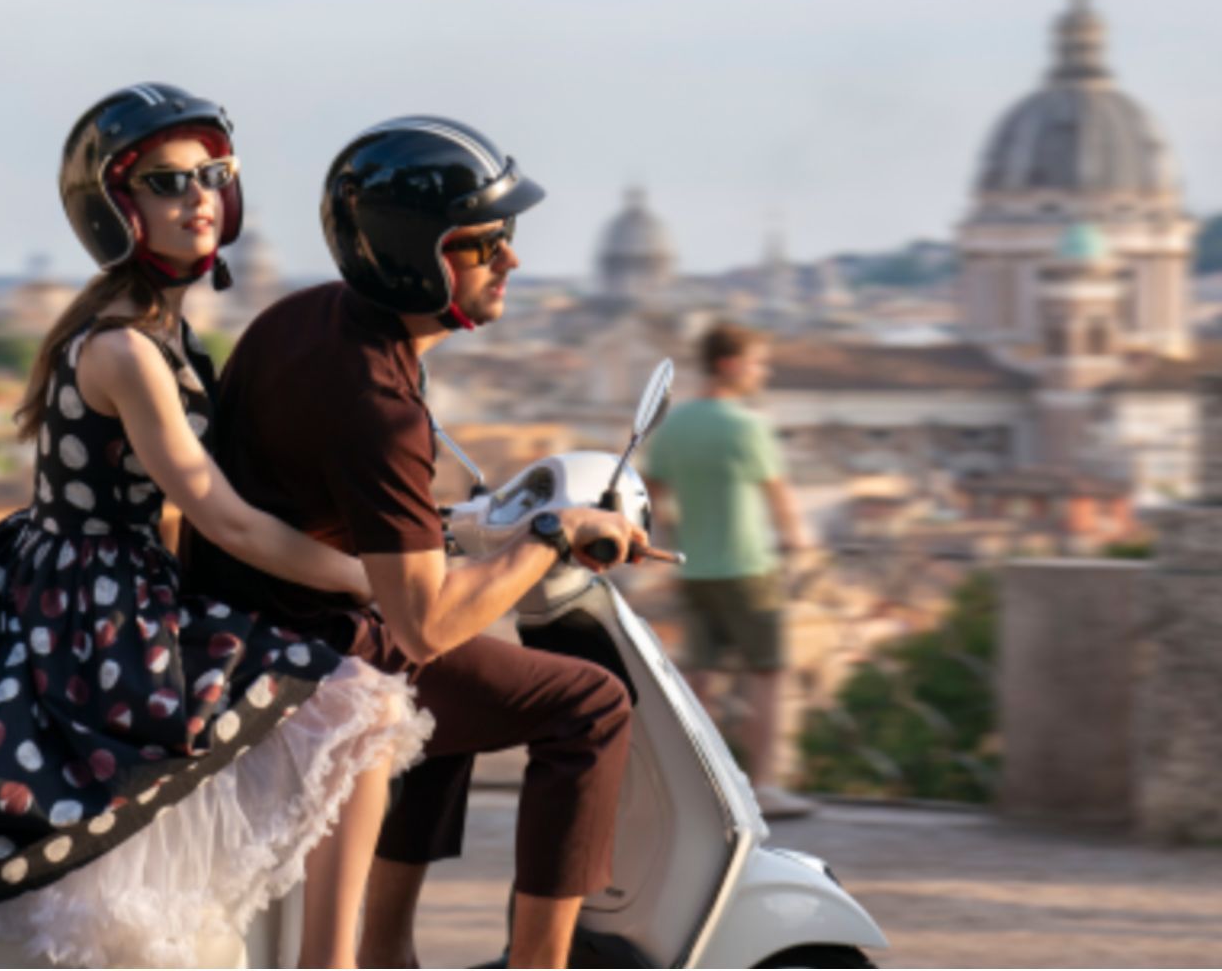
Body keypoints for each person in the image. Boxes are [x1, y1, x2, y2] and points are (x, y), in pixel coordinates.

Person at [0, 83, 431, 968]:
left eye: (214, 176)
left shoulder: (154, 334)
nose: (200, 200)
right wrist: (379, 578)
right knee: (355, 701)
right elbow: (228, 520)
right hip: (100, 605)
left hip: (80, 582)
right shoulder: (125, 350)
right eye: (168, 183)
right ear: (116, 208)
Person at [185, 116, 650, 969]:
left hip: (244, 620)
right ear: (412, 255)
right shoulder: (380, 405)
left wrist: (475, 531)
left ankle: (388, 947)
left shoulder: (307, 319)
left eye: (506, 236)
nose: (511, 258)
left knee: (453, 693)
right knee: (589, 706)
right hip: (305, 647)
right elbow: (425, 622)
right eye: (483, 243)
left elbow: (339, 507)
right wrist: (551, 535)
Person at [642, 320, 815, 818]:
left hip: (692, 569)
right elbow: (780, 500)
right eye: (759, 362)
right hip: (748, 567)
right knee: (768, 674)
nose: (765, 372)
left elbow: (651, 498)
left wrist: (672, 538)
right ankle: (763, 786)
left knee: (699, 678)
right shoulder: (748, 427)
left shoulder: (672, 425)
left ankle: (698, 786)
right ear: (730, 364)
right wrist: (799, 543)